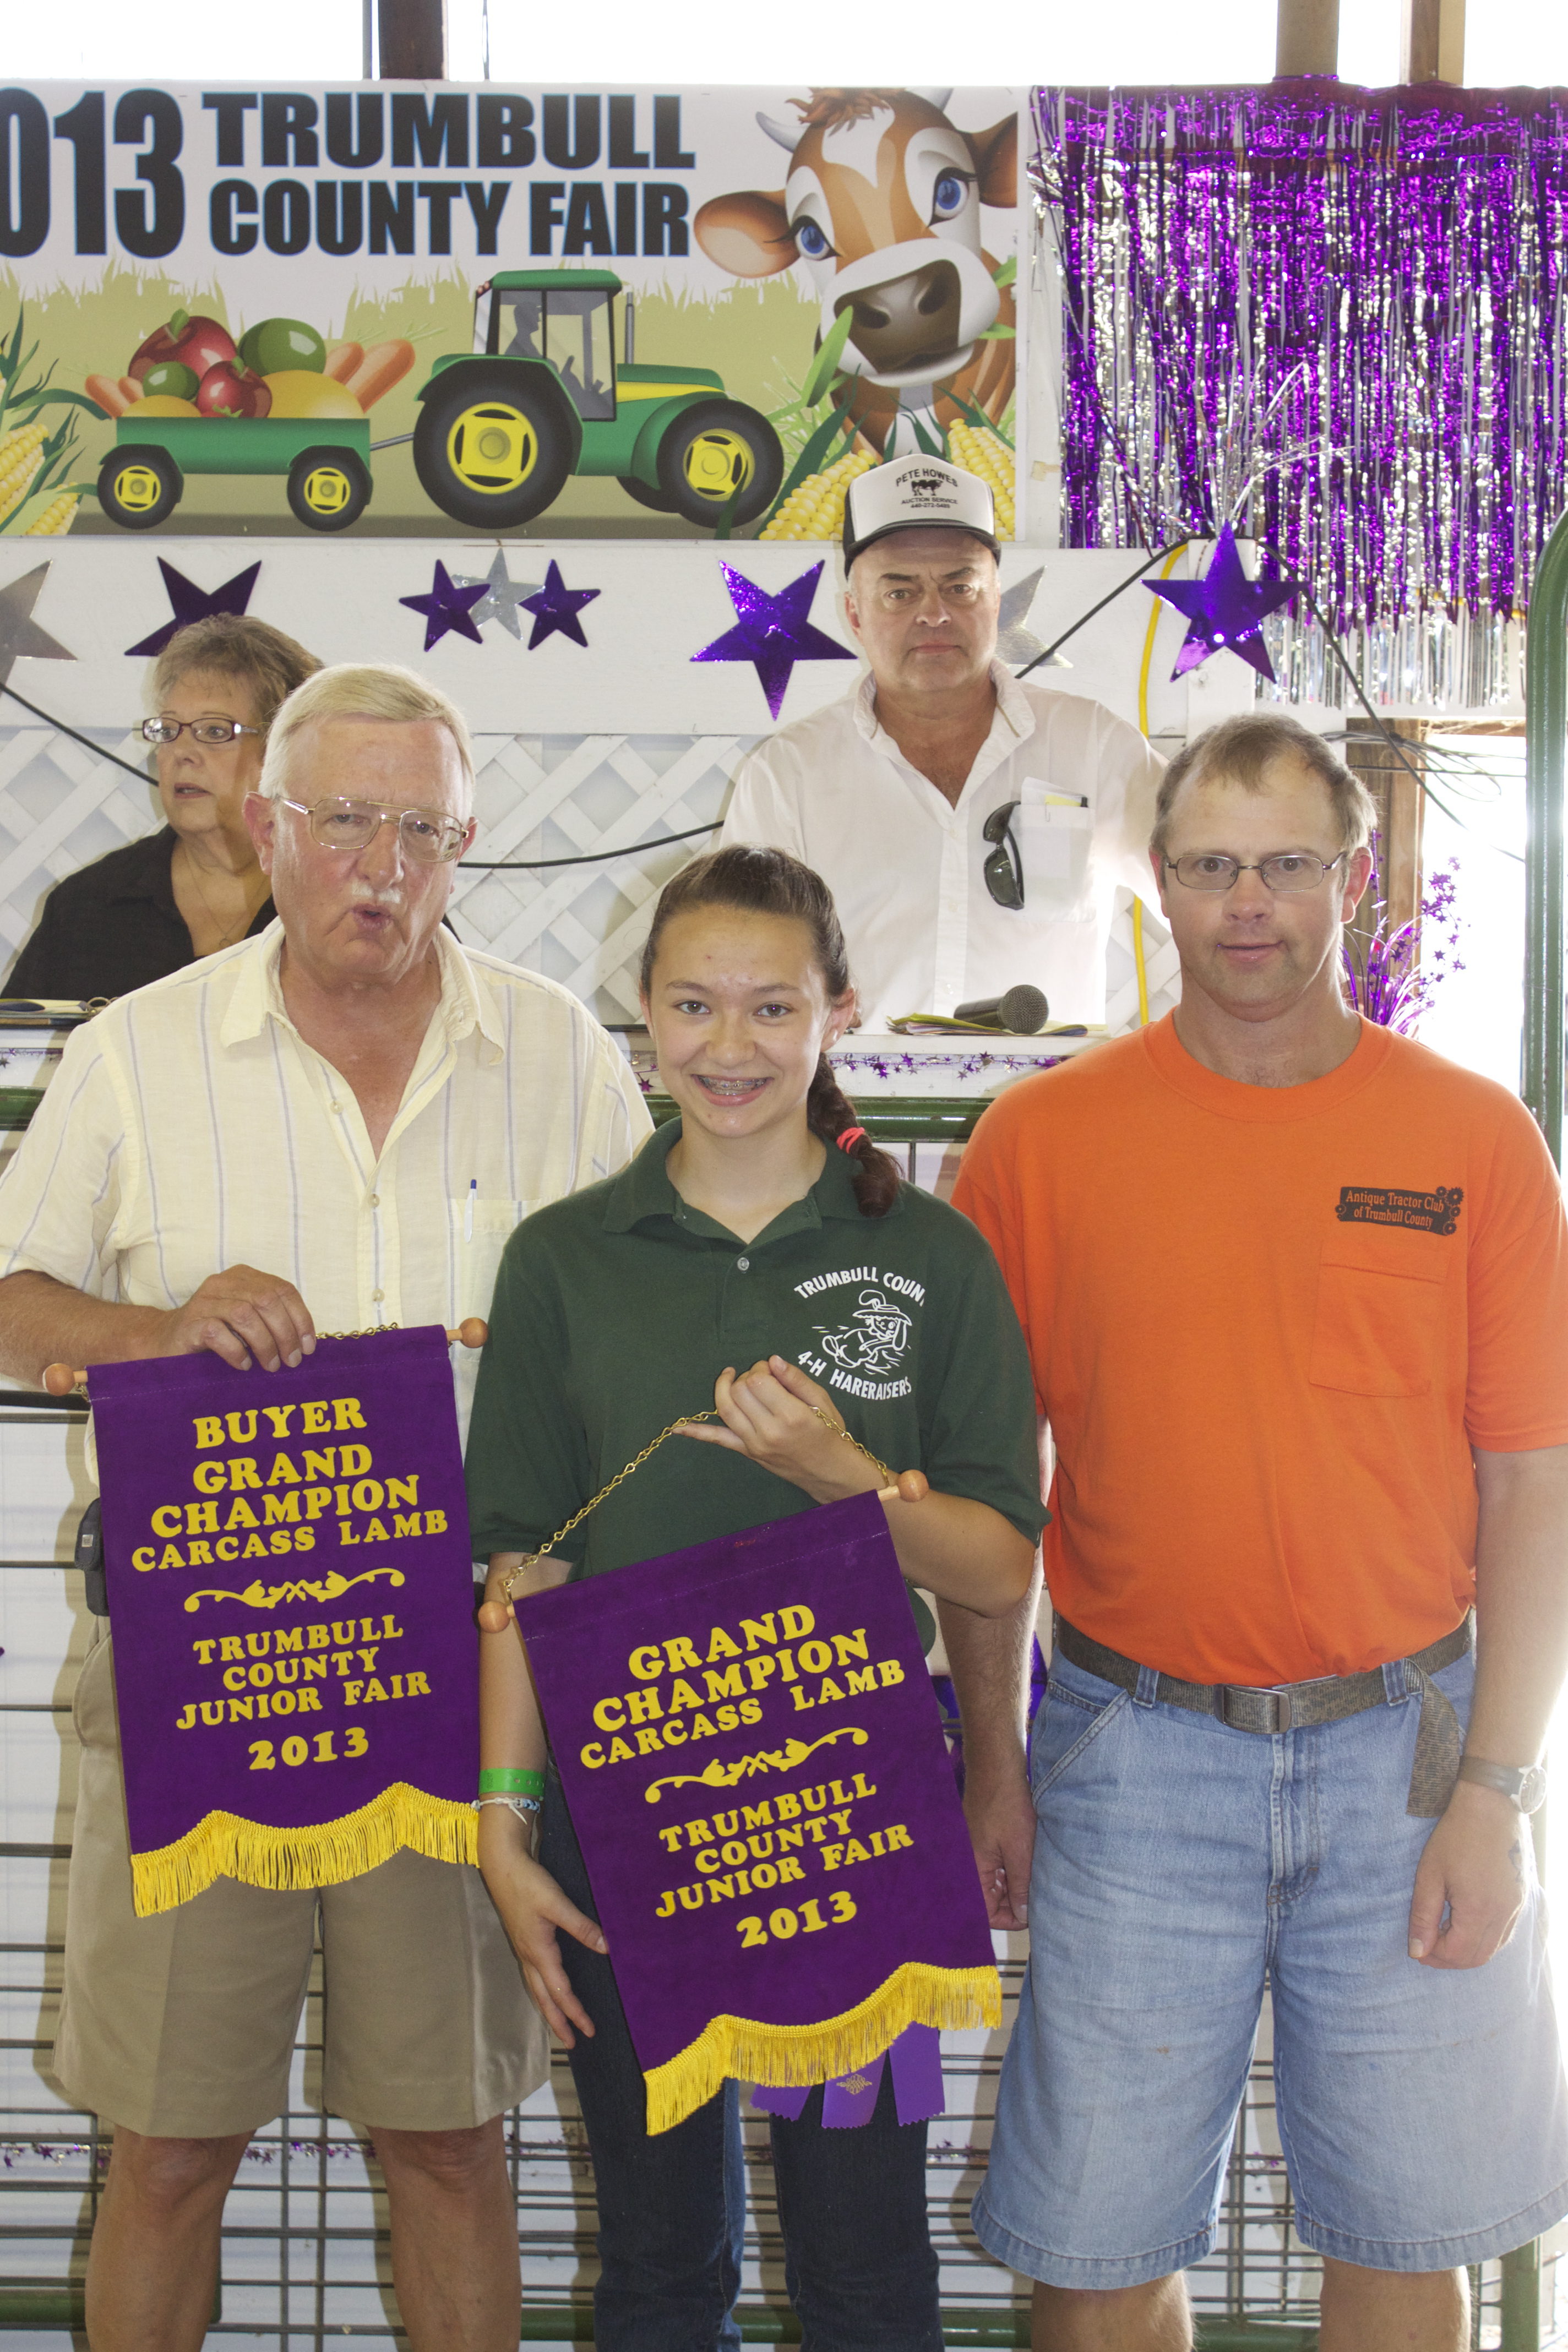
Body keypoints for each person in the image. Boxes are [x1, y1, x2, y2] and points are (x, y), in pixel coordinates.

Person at [0, 662, 652, 2352]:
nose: (382, 865)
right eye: (346, 821)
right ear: (265, 825)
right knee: (168, 2148)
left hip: (463, 1665)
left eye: (421, 830)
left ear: (469, 843)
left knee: (450, 2139)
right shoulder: (136, 1052)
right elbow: (9, 1299)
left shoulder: (562, 1054)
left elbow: (646, 1334)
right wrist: (159, 1328)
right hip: (197, 1655)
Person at [944, 711, 1568, 2352]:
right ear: (1155, 881)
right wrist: (992, 1758)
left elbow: (1533, 1485)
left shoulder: (1473, 1140)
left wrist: (1496, 1791)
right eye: (1210, 864)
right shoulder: (1036, 1145)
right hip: (1129, 1759)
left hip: (1407, 1760)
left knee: (1405, 2239)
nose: (1245, 903)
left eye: (1285, 863)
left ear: (1349, 878)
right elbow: (989, 1497)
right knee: (1092, 2253)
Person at [465, 843, 1046, 2352]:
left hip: (850, 1819)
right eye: (693, 1005)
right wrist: (504, 1827)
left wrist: (844, 1478)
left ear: (837, 1011)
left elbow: (997, 1564)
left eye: (772, 1007)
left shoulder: (927, 1254)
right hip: (623, 1821)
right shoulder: (564, 1260)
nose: (730, 1046)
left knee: (863, 2268)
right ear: (643, 1013)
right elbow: (521, 1567)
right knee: (660, 2270)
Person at [720, 454, 1165, 1030]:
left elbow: (1208, 896)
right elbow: (741, 967)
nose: (934, 614)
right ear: (854, 614)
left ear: (996, 602)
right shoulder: (788, 775)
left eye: (960, 587)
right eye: (899, 593)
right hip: (852, 1086)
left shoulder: (1095, 746)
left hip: (1054, 1087)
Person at [6, 613, 320, 1001]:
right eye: (169, 730)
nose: (182, 753)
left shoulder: (331, 898)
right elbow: (21, 1039)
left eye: (215, 731)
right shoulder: (88, 906)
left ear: (285, 750)